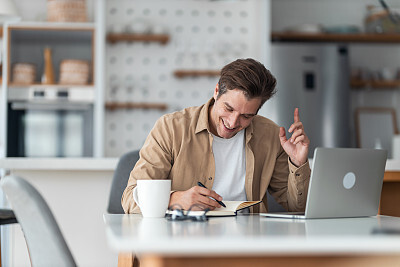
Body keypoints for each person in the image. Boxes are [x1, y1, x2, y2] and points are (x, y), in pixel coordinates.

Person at [122, 58, 311, 214]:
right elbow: (130, 198)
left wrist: (297, 163)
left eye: (246, 116)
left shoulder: (271, 135)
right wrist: (173, 199)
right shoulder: (171, 128)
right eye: (228, 108)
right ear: (216, 92)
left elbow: (297, 207)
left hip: (249, 246)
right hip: (185, 241)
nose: (232, 122)